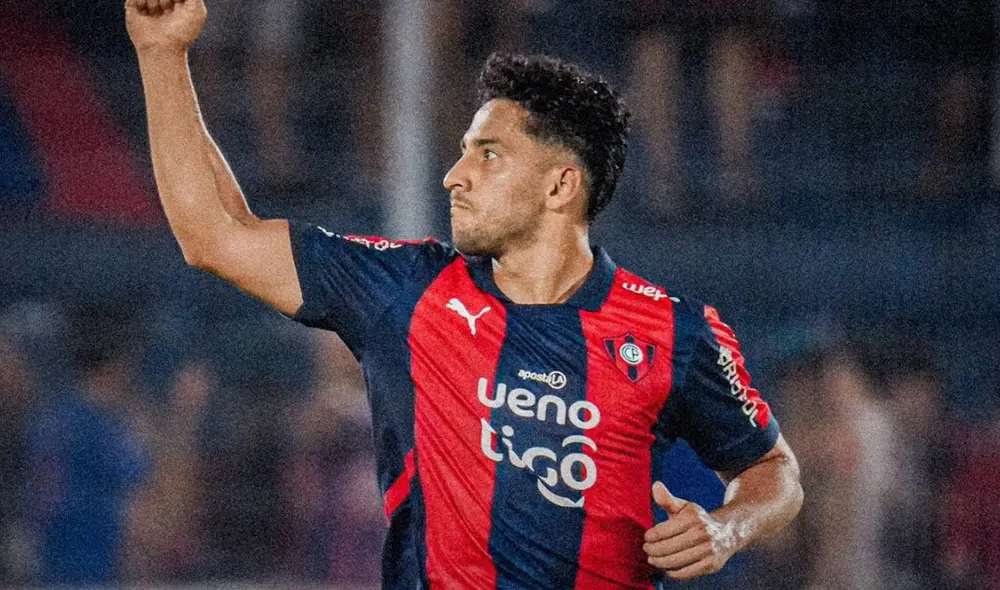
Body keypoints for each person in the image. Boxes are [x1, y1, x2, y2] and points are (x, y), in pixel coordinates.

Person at [125, 0, 803, 587]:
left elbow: (774, 471)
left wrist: (728, 527)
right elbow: (213, 234)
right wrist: (161, 55)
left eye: (488, 154)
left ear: (561, 186)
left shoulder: (675, 332)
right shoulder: (405, 291)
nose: (453, 175)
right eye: (462, 150)